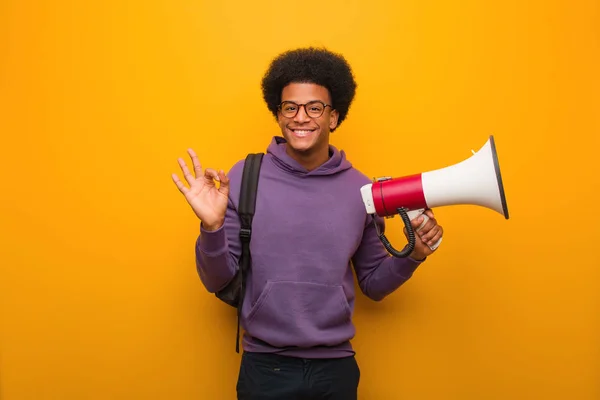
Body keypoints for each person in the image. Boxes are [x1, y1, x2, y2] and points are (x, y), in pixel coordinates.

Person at [172, 47, 444, 400]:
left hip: (336, 369)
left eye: (314, 107)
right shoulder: (244, 176)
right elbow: (217, 279)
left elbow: (374, 284)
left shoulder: (362, 190)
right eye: (291, 107)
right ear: (279, 114)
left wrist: (413, 255)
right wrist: (211, 227)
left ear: (333, 117)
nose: (301, 117)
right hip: (265, 368)